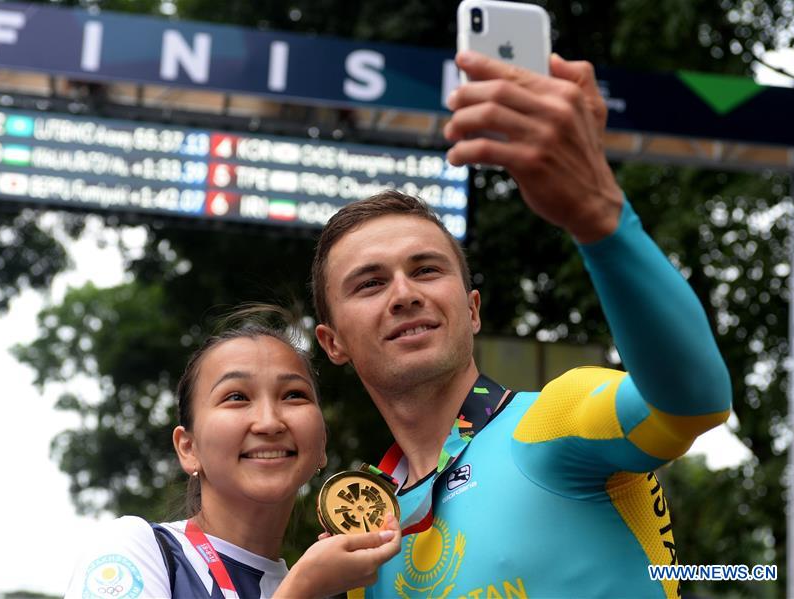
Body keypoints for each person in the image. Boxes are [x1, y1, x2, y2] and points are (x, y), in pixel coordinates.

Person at [310, 51, 732, 598]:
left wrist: (600, 219)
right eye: (369, 283)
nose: (404, 294)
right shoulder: (363, 540)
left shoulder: (556, 423)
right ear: (333, 342)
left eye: (427, 269)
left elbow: (693, 401)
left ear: (472, 308)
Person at [64, 307, 401, 599]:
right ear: (188, 448)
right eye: (237, 397)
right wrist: (301, 590)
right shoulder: (133, 550)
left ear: (322, 445)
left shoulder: (333, 588)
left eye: (294, 395)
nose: (269, 422)